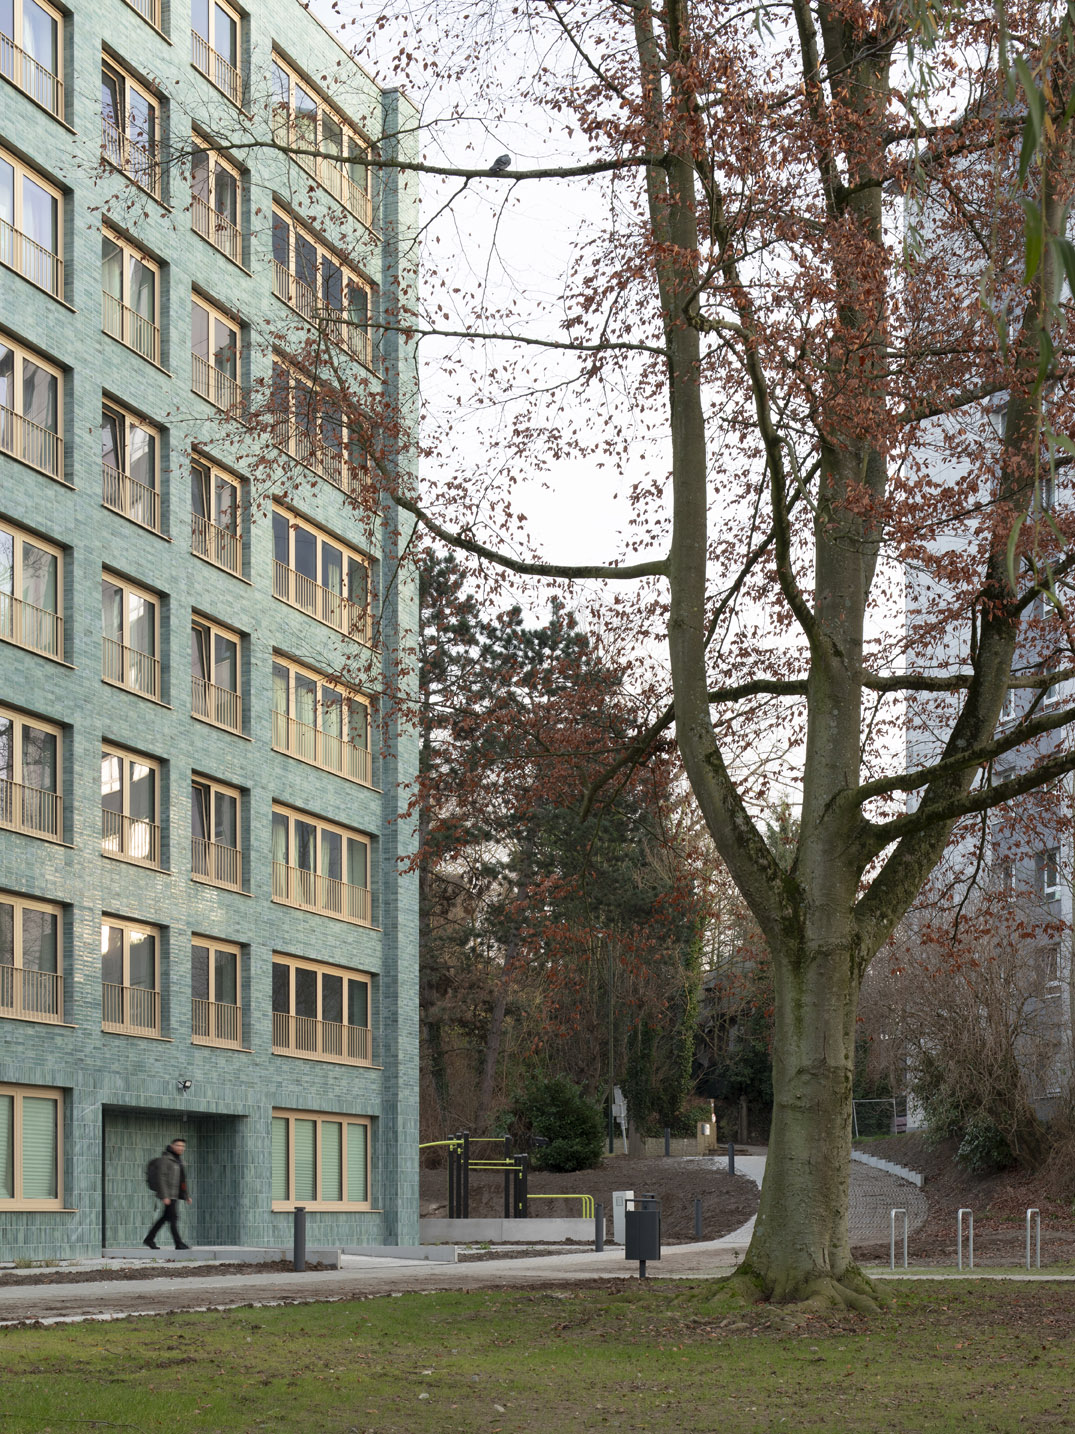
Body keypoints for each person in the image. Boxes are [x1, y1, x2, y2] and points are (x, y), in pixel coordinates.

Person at [144, 1138, 193, 1250]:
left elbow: (182, 1180)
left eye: (183, 1146)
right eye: (178, 1145)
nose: (181, 1148)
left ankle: (149, 1239)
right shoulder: (165, 1160)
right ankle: (178, 1243)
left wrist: (186, 1195)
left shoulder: (178, 1161)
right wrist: (165, 1195)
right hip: (168, 1194)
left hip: (174, 1194)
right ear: (172, 1146)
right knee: (173, 1218)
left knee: (166, 1217)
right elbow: (161, 1178)